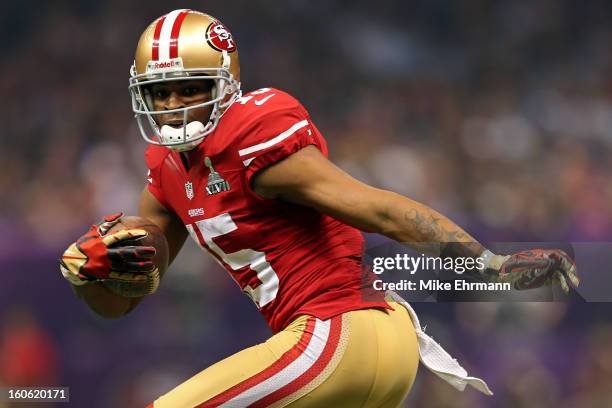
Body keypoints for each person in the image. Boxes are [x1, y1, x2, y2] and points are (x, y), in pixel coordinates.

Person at [59, 9, 579, 408]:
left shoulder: (251, 137)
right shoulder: (166, 172)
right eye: (161, 92)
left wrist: (491, 267)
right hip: (372, 350)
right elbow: (123, 302)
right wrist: (91, 273)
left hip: (337, 333)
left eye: (189, 88)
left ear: (223, 84)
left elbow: (379, 210)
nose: (174, 104)